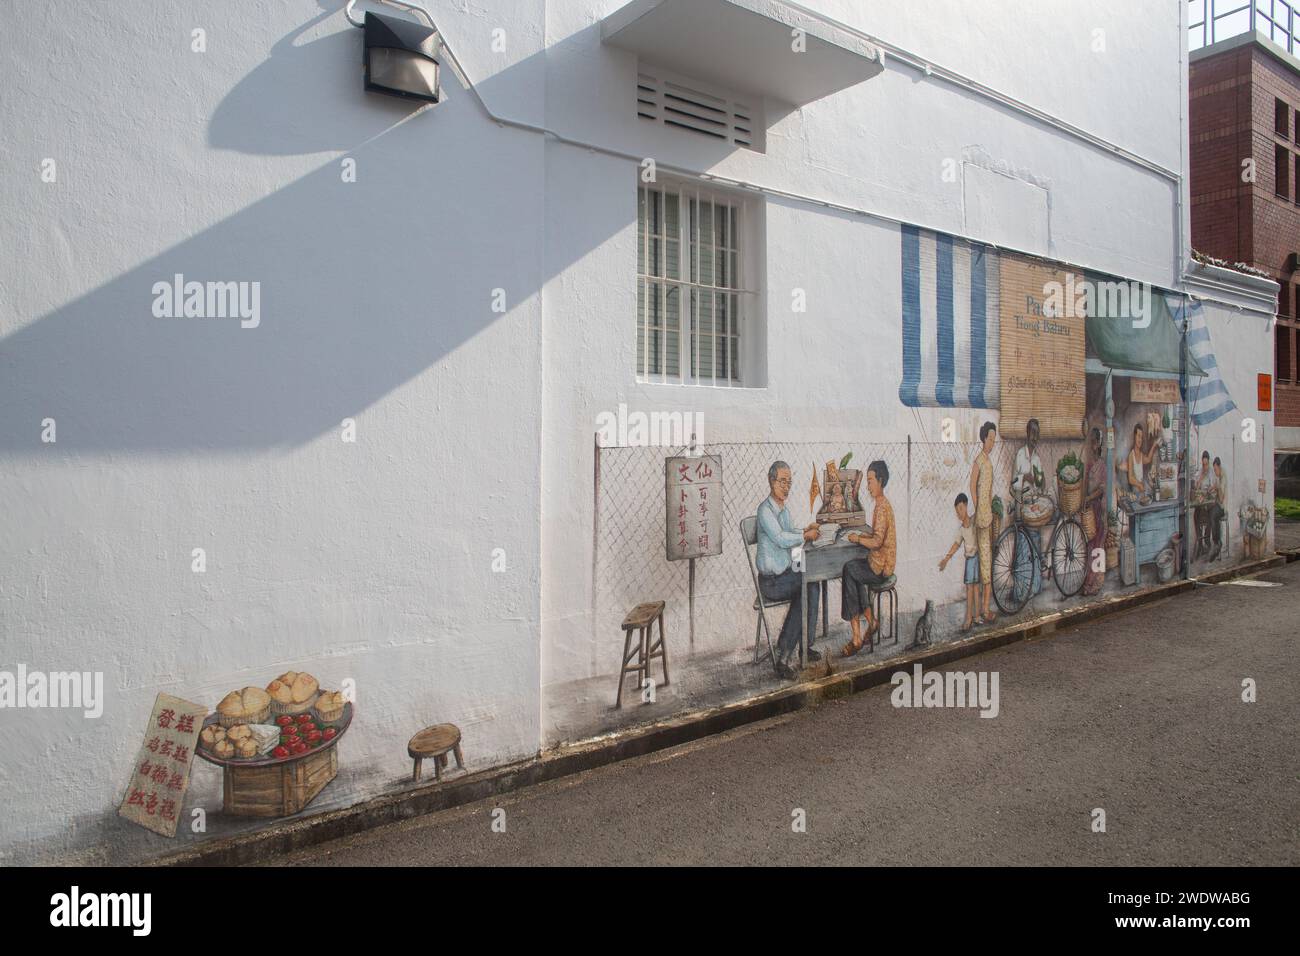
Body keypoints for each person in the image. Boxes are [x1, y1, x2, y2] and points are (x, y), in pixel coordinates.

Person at [755, 461, 821, 679]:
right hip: (771, 581)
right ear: (771, 481)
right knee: (805, 585)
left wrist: (804, 531)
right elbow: (782, 539)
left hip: (785, 574)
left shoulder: (783, 510)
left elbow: (791, 536)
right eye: (782, 481)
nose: (786, 486)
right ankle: (784, 657)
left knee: (813, 577)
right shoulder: (765, 511)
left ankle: (805, 645)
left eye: (789, 482)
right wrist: (804, 536)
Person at [839, 460, 896, 656]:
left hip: (881, 568)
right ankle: (871, 622)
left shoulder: (881, 507)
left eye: (870, 481)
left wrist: (857, 538)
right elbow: (876, 537)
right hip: (880, 563)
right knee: (854, 572)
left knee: (849, 571)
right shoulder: (882, 504)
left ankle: (856, 637)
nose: (868, 485)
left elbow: (878, 542)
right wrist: (862, 537)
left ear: (880, 481)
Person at [1010, 418, 1046, 594]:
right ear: (1027, 433)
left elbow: (1040, 485)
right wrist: (1025, 478)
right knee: (1024, 549)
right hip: (1022, 506)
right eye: (1032, 433)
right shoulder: (1020, 455)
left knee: (1036, 544)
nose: (1034, 437)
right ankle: (1022, 591)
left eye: (1037, 434)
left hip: (1034, 508)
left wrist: (1041, 481)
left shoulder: (1037, 459)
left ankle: (1035, 587)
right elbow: (1013, 483)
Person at [969, 422, 998, 625]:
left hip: (988, 517)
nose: (992, 443)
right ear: (983, 439)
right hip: (981, 519)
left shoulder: (988, 462)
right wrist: (979, 507)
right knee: (984, 565)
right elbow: (972, 487)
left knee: (986, 563)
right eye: (990, 439)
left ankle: (984, 608)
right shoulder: (979, 461)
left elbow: (989, 490)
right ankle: (983, 610)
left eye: (994, 440)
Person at [939, 493, 978, 630]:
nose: (959, 513)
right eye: (957, 511)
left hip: (977, 558)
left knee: (975, 587)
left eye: (961, 509)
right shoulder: (961, 530)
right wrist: (946, 558)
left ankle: (975, 615)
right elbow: (956, 544)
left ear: (966, 506)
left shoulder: (974, 522)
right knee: (970, 587)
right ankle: (969, 617)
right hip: (969, 560)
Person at [1081, 427, 1108, 596]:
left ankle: (1096, 582)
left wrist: (1090, 498)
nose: (1093, 445)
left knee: (1098, 546)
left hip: (1098, 508)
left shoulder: (1102, 466)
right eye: (1091, 442)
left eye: (1095, 442)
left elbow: (1101, 490)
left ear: (1099, 444)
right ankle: (1089, 581)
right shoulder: (1090, 464)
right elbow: (1086, 484)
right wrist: (1085, 499)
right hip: (1090, 509)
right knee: (1091, 545)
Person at [1123, 422, 1162, 497]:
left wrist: (1154, 446)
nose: (1140, 439)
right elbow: (1130, 478)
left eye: (1141, 437)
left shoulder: (1141, 455)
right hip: (1135, 490)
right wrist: (1139, 485)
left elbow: (1148, 459)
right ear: (1134, 437)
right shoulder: (1131, 455)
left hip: (1141, 488)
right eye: (1138, 436)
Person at [1209, 456, 1227, 559]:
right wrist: (1212, 488)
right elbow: (1215, 486)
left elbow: (1221, 499)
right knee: (1209, 510)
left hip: (1223, 508)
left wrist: (1217, 487)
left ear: (1219, 467)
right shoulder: (1219, 476)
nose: (1215, 472)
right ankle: (1215, 542)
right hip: (1218, 505)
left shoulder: (1223, 478)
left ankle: (1217, 543)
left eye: (1215, 469)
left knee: (1212, 515)